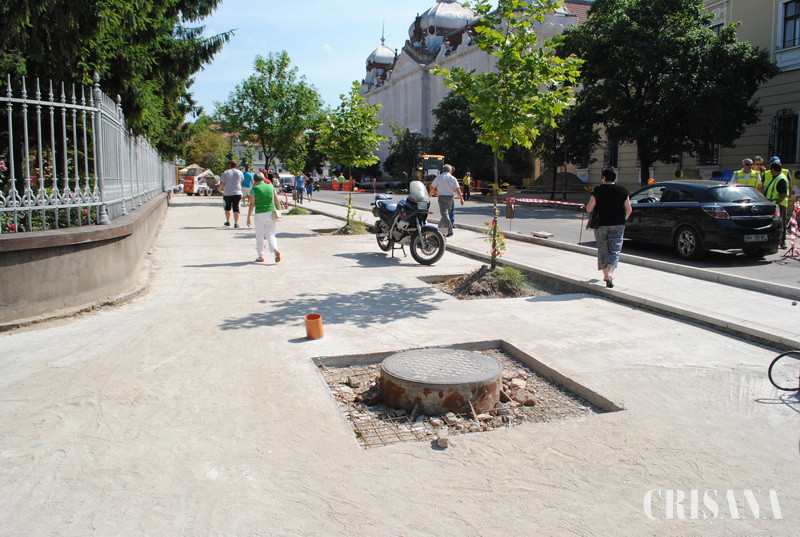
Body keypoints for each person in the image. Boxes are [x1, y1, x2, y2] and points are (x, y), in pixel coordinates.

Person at [585, 168, 633, 288]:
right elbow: (629, 210)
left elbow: (589, 208)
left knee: (603, 249)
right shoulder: (623, 190)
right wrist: (623, 219)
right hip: (618, 224)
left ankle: (606, 275)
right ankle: (610, 274)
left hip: (601, 224)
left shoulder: (598, 190)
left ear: (604, 178)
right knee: (614, 249)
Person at [246, 172, 281, 263]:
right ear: (263, 178)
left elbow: (252, 203)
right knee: (271, 234)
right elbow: (276, 199)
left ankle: (261, 256)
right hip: (271, 212)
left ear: (255, 180)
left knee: (259, 235)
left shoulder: (254, 189)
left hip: (260, 213)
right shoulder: (271, 186)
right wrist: (279, 211)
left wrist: (249, 216)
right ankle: (275, 250)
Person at [429, 164, 464, 237]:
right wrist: (461, 198)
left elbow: (432, 187)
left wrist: (430, 193)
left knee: (444, 214)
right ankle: (440, 231)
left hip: (442, 197)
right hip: (450, 198)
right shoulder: (453, 178)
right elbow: (457, 189)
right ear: (450, 170)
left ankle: (449, 231)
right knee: (445, 214)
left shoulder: (439, 177)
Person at [764, 161, 789, 248]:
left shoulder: (780, 179)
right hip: (775, 205)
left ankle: (781, 241)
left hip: (779, 205)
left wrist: (776, 204)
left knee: (779, 224)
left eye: (770, 169)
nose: (770, 171)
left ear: (773, 169)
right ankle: (777, 241)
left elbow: (783, 194)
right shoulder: (777, 177)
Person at [219, 160, 244, 228]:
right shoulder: (240, 172)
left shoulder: (226, 172)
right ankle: (236, 223)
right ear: (236, 165)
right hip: (237, 193)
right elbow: (241, 181)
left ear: (230, 165)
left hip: (227, 193)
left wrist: (222, 188)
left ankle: (228, 221)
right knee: (236, 208)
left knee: (227, 208)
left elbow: (222, 183)